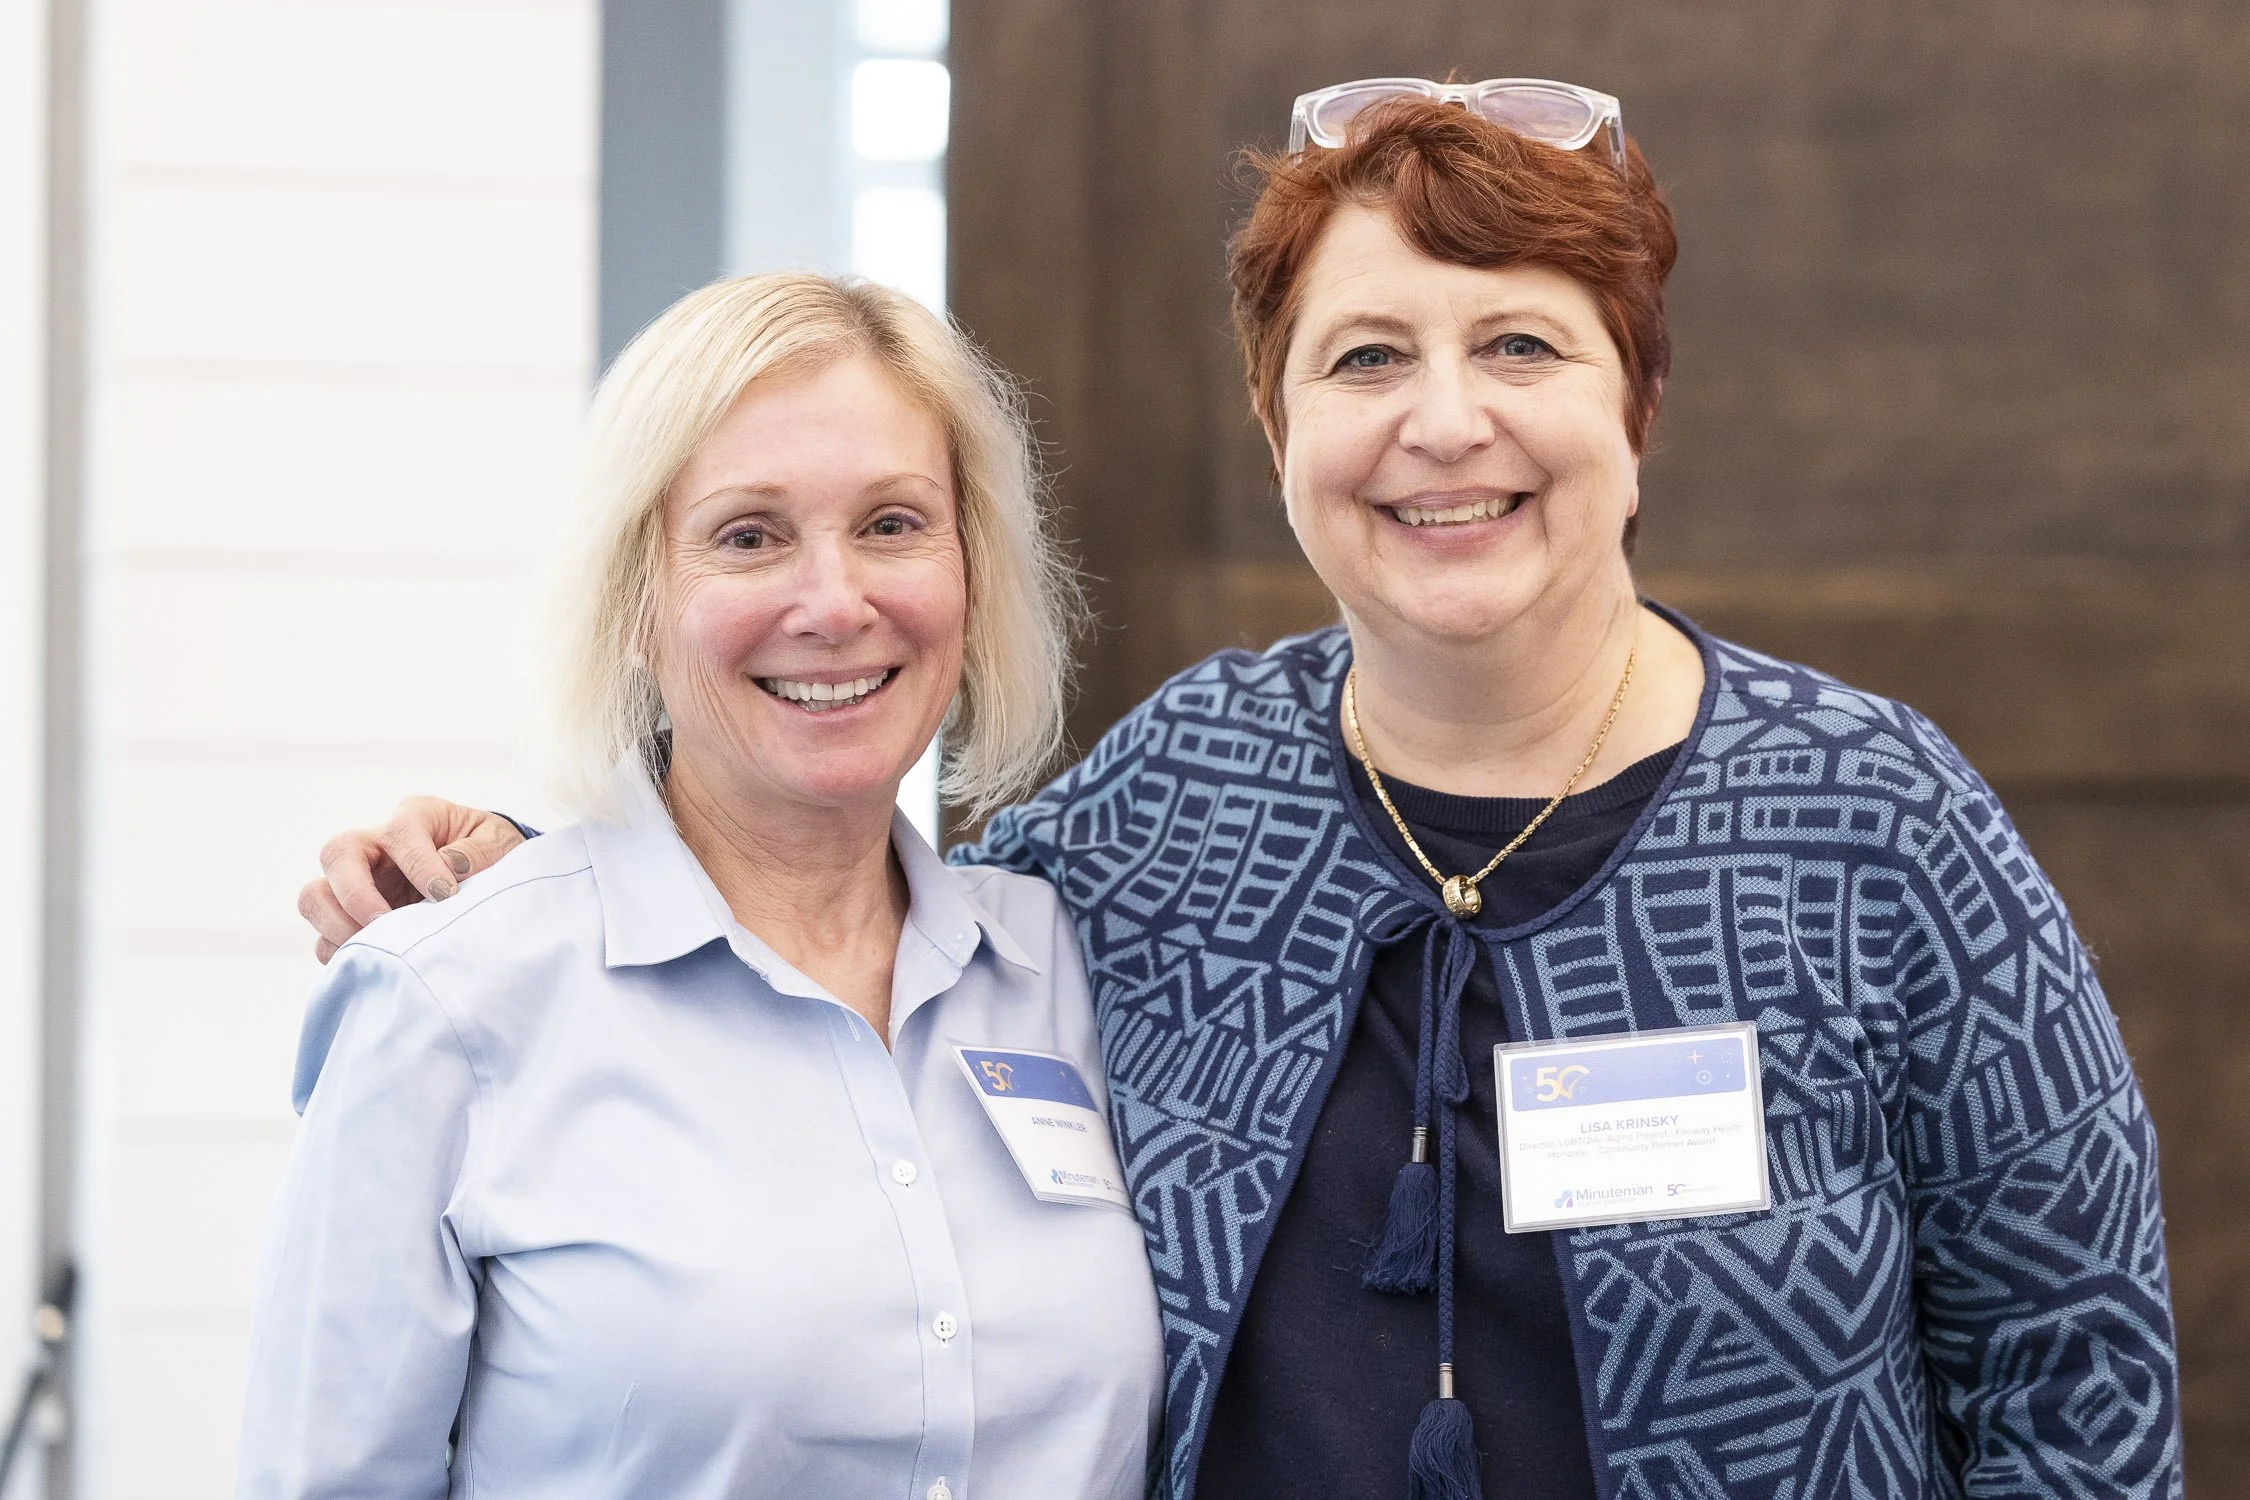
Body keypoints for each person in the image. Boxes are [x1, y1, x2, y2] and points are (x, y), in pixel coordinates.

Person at [295, 85, 2182, 1499]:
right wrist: (536, 875)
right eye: (1367, 359)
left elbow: (2079, 1384)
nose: (1444, 421)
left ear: (1638, 407)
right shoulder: (1177, 800)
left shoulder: (1878, 824)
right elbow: (835, 913)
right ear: (1285, 435)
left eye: (1521, 343)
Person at [241, 272, 1164, 1498]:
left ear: (972, 574)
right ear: (636, 600)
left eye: (893, 524)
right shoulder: (452, 1005)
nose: (836, 603)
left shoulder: (1070, 967)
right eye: (748, 536)